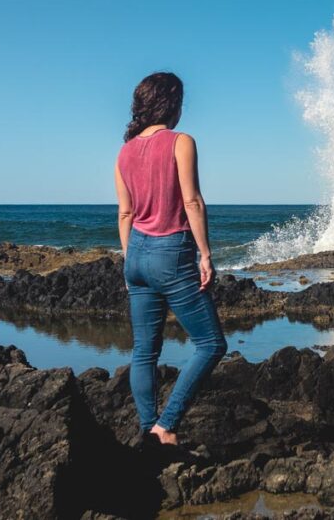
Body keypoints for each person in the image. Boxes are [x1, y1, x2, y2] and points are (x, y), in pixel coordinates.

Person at [114, 71, 226, 449]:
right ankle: (165, 425)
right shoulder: (181, 142)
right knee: (211, 344)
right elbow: (192, 201)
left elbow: (125, 214)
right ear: (173, 104)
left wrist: (132, 261)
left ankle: (149, 429)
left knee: (145, 349)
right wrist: (206, 255)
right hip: (172, 252)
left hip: (136, 254)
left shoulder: (124, 151)